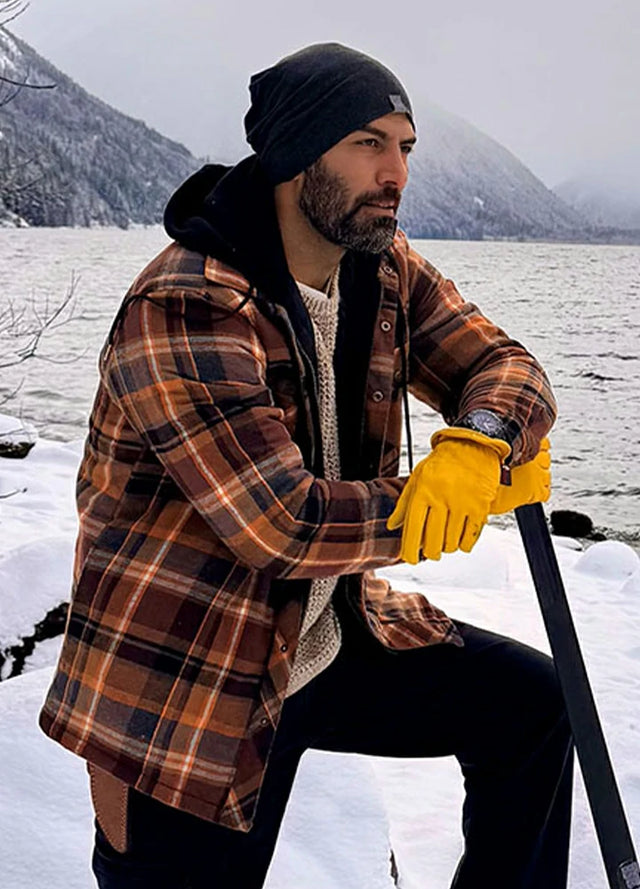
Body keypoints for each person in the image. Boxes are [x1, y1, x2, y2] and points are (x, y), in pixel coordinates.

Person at [40, 42, 573, 889]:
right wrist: (433, 505)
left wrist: (478, 442)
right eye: (369, 143)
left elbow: (508, 363)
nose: (396, 171)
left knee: (535, 708)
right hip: (186, 682)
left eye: (405, 147)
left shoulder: (381, 267)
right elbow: (279, 523)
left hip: (322, 638)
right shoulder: (187, 302)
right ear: (295, 154)